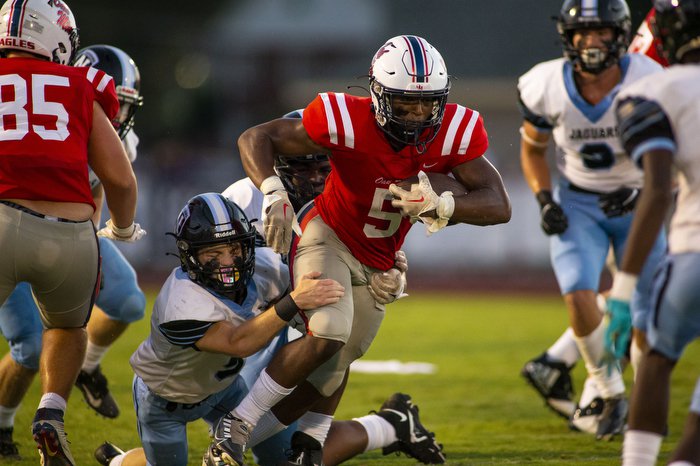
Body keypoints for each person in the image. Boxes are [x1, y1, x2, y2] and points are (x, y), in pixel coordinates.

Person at [212, 34, 511, 466]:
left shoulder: (452, 132)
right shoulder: (345, 119)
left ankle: (308, 441)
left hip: (379, 259)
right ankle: (234, 427)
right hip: (327, 236)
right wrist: (273, 190)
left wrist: (444, 204)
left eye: (427, 105)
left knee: (339, 356)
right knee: (330, 330)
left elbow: (498, 204)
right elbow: (256, 136)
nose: (417, 116)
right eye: (405, 104)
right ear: (378, 95)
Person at [0, 0, 143, 463]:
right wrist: (121, 232)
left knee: (113, 305)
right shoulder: (83, 85)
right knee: (65, 326)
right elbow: (120, 180)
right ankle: (50, 413)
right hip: (70, 235)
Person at [517, 0, 667, 441]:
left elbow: (675, 150)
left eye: (602, 32)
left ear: (620, 35)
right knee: (578, 293)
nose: (593, 42)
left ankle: (641, 404)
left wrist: (642, 188)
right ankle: (608, 390)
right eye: (584, 33)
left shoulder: (648, 79)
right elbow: (533, 150)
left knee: (646, 320)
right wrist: (545, 198)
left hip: (639, 203)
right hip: (580, 202)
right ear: (568, 35)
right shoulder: (545, 84)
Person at [105, 192, 343, 466]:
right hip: (165, 401)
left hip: (226, 389)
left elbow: (320, 265)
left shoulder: (265, 267)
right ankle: (120, 462)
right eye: (213, 253)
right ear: (190, 255)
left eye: (234, 250)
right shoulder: (181, 303)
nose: (228, 262)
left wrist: (381, 268)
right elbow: (238, 342)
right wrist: (292, 300)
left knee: (279, 456)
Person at [608, 1, 700, 464]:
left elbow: (658, 189)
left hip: (693, 252)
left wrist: (623, 290)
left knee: (658, 361)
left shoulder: (652, 91)